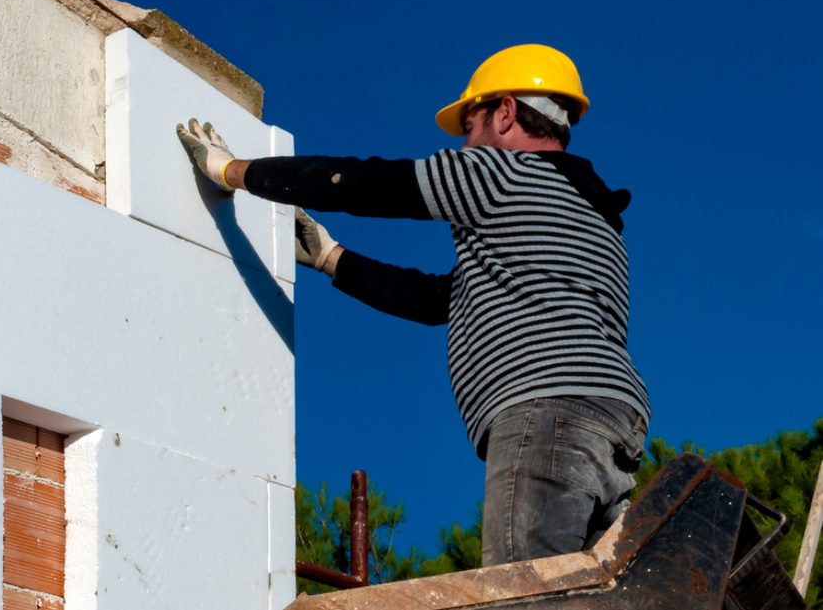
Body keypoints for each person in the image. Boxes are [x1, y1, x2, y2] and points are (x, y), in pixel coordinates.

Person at [177, 44, 649, 566]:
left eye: (470, 127)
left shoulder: (501, 174)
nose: (466, 145)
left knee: (524, 592)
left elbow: (371, 184)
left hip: (544, 413)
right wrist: (330, 256)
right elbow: (439, 299)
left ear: (506, 112)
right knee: (587, 592)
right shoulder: (595, 220)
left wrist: (233, 171)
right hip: (611, 425)